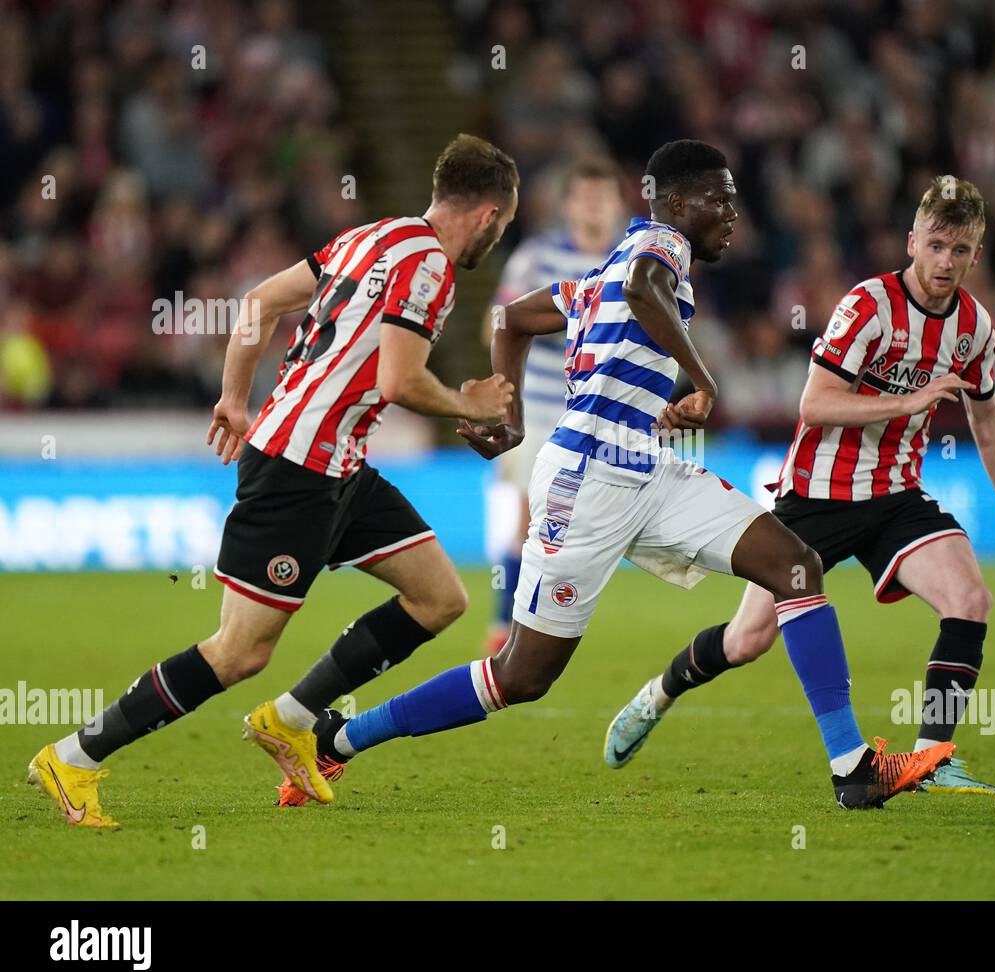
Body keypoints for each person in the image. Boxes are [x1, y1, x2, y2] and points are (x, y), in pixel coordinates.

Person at [284, 140, 956, 812]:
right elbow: (641, 289)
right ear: (678, 202)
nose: (732, 214)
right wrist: (702, 378)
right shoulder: (660, 248)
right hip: (587, 483)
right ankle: (338, 740)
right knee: (520, 677)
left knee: (796, 566)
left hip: (647, 468)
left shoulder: (596, 276)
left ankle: (852, 771)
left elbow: (512, 321)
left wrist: (511, 416)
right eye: (720, 200)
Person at [27, 134, 518, 827]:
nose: (495, 240)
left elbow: (257, 301)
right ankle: (75, 757)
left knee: (440, 597)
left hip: (339, 462)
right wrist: (472, 402)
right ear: (489, 214)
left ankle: (289, 720)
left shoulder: (371, 237)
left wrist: (233, 396)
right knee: (238, 652)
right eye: (502, 227)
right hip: (298, 469)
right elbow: (399, 380)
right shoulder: (432, 267)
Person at [605, 175, 995, 796]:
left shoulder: (975, 328)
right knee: (747, 640)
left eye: (960, 251)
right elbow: (815, 404)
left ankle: (932, 759)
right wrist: (912, 399)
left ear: (976, 256)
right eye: (935, 245)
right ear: (912, 242)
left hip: (896, 498)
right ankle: (661, 691)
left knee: (971, 600)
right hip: (815, 497)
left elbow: (986, 415)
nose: (944, 262)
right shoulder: (868, 306)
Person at [482, 157, 624, 655]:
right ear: (567, 205)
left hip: (606, 419)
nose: (593, 205)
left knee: (583, 527)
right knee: (528, 520)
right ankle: (505, 629)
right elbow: (496, 322)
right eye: (584, 196)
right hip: (543, 413)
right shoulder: (537, 258)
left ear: (617, 203)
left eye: (602, 197)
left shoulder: (629, 262)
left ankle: (551, 624)